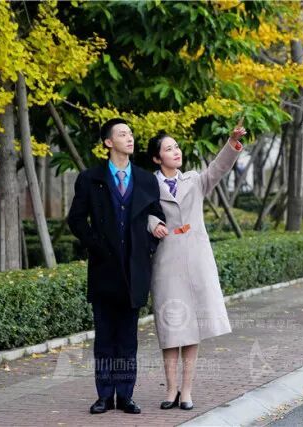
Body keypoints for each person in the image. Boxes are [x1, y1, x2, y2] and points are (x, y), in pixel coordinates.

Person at [67, 118, 165, 415]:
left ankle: (125, 396)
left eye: (131, 133)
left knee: (127, 339)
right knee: (105, 339)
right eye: (123, 134)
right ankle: (103, 396)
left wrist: (147, 247)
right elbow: (76, 220)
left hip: (134, 271)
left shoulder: (146, 180)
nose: (130, 138)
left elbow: (156, 217)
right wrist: (95, 244)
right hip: (103, 269)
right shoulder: (90, 178)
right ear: (108, 142)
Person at [146, 123, 247, 411]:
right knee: (171, 326)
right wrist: (153, 224)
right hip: (166, 259)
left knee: (192, 328)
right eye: (169, 149)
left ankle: (187, 391)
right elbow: (139, 213)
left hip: (195, 258)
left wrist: (232, 143)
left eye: (177, 147)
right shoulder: (147, 185)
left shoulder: (194, 180)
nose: (176, 152)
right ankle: (171, 390)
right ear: (157, 158)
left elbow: (218, 168)